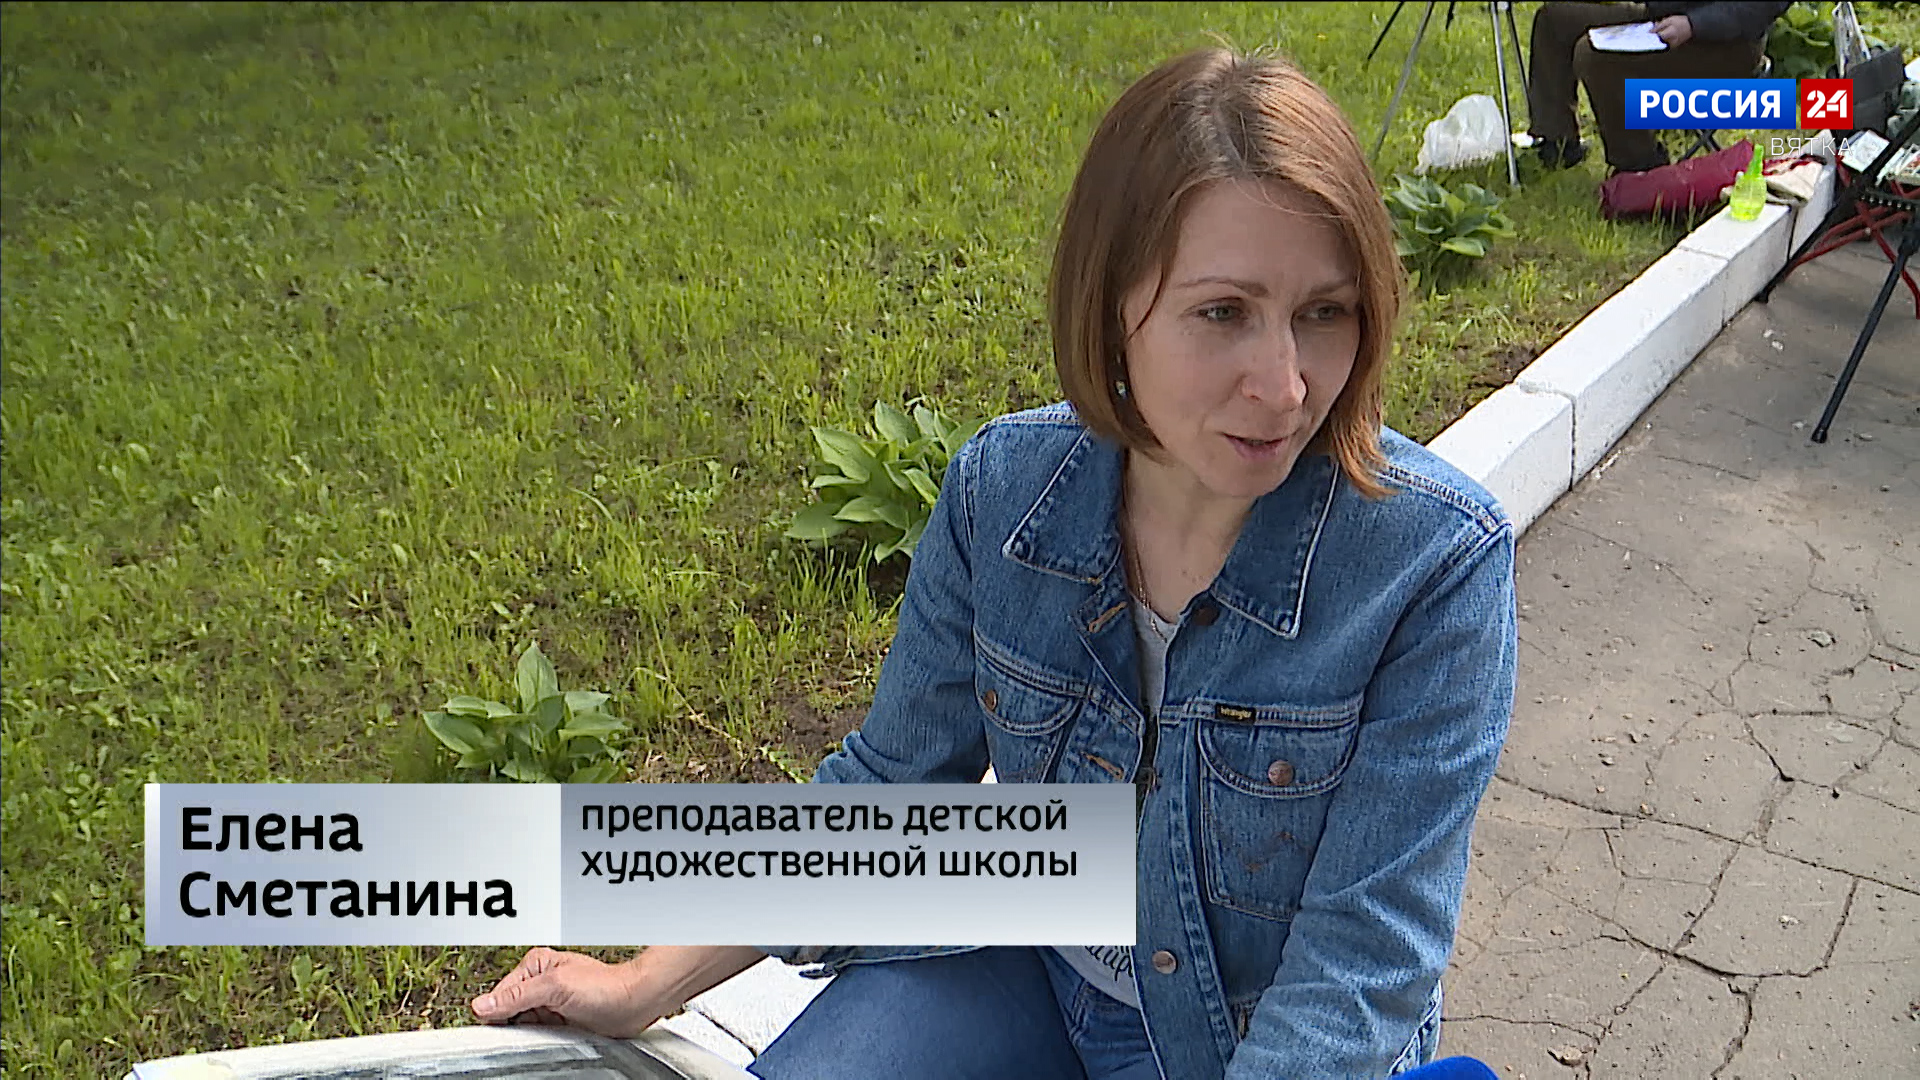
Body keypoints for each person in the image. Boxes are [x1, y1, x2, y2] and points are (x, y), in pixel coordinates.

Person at [471, 46, 1517, 1080]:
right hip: (1023, 975)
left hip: (1254, 1044)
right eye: (1222, 313)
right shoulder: (1005, 493)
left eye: (1323, 313)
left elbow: (1357, 970)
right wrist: (643, 985)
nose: (1285, 385)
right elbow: (888, 793)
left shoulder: (1432, 566)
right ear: (1113, 308)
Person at [1526, 1, 1794, 173]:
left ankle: (1640, 166)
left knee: (1594, 54)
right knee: (1555, 20)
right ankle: (1558, 143)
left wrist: (1694, 25)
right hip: (1665, 13)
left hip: (1727, 45)